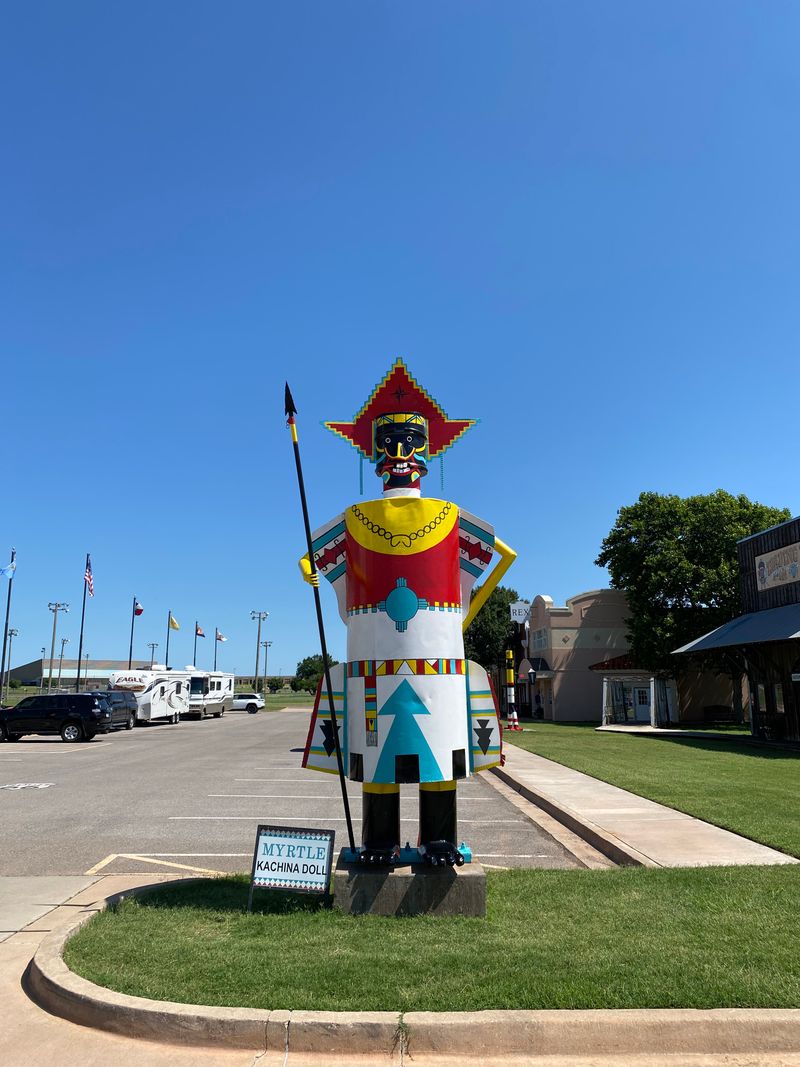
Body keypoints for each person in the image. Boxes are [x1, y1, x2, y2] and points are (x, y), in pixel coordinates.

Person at [299, 359, 515, 866]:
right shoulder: (357, 519)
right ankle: (378, 844)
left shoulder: (447, 516)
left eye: (410, 441)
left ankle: (440, 842)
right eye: (389, 442)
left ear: (427, 450)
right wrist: (314, 571)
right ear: (373, 452)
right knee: (376, 760)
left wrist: (460, 614)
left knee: (440, 756)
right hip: (371, 667)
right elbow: (315, 556)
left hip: (439, 671)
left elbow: (499, 555)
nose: (399, 452)